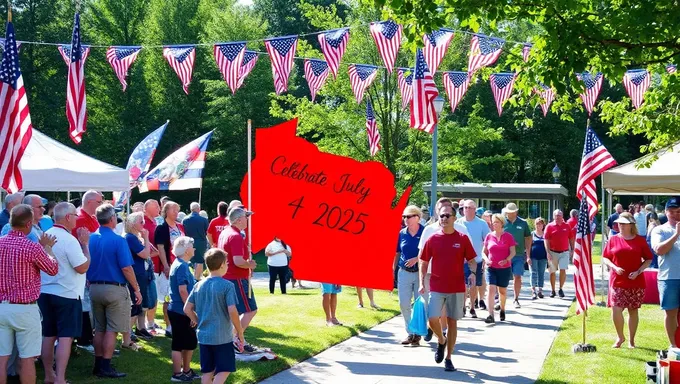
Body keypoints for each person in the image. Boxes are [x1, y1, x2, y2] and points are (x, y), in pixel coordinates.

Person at [0, 204, 58, 384]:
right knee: (27, 358)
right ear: (28, 224)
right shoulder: (31, 247)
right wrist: (47, 248)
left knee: (1, 358)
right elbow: (53, 268)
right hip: (26, 308)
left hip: (2, 306)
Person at [419, 205, 477, 372]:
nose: (443, 219)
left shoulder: (462, 238)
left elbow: (472, 260)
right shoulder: (433, 239)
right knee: (432, 318)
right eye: (441, 216)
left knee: (452, 322)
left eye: (447, 216)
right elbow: (423, 262)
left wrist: (472, 273)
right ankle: (441, 341)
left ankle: (449, 358)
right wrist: (423, 282)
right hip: (437, 285)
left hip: (457, 287)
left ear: (454, 218)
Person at [87, 204, 142, 378]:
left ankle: (98, 364)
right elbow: (126, 268)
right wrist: (136, 288)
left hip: (94, 287)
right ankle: (105, 366)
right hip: (114, 288)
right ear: (112, 219)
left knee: (99, 328)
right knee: (112, 329)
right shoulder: (119, 240)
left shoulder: (91, 238)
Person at [39, 202, 91, 384]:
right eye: (75, 215)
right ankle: (60, 379)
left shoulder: (44, 235)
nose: (77, 218)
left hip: (45, 292)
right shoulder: (70, 240)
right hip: (66, 294)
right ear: (68, 217)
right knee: (65, 337)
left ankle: (48, 375)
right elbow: (82, 267)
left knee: (48, 335)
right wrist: (86, 246)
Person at [184, 248, 245, 384]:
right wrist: (240, 331)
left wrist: (198, 321)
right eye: (227, 263)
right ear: (222, 264)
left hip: (204, 337)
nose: (228, 265)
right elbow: (233, 311)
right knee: (224, 369)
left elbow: (187, 308)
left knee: (207, 371)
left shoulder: (198, 285)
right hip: (222, 336)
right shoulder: (227, 286)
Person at [418, 198, 468, 342]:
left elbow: (467, 253)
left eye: (447, 211)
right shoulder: (429, 229)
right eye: (441, 210)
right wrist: (420, 275)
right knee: (431, 304)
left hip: (451, 276)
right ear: (437, 211)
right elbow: (421, 253)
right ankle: (432, 326)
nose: (444, 215)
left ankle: (442, 332)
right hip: (430, 273)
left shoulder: (461, 230)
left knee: (445, 306)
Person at [602, 212, 653, 348]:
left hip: (635, 280)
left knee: (633, 310)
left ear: (631, 225)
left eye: (624, 224)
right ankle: (620, 337)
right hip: (617, 280)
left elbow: (648, 259)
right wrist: (614, 266)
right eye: (619, 224)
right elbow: (605, 257)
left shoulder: (640, 240)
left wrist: (638, 271)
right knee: (616, 308)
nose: (621, 226)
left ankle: (631, 341)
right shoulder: (613, 239)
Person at [218, 207, 258, 352]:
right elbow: (237, 261)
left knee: (234, 311)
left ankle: (235, 338)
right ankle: (235, 338)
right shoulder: (235, 236)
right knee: (250, 309)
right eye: (246, 217)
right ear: (239, 219)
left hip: (228, 277)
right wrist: (250, 265)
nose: (248, 220)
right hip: (237, 278)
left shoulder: (225, 232)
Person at [72, 191, 102, 353]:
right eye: (99, 201)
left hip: (91, 266)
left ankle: (87, 336)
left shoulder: (91, 218)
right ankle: (84, 338)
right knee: (84, 303)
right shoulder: (80, 219)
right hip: (83, 268)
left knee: (88, 304)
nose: (101, 204)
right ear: (90, 202)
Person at [168, 236, 199, 382]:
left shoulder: (181, 263)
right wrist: (190, 312)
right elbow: (182, 290)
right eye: (192, 246)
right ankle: (177, 374)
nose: (194, 249)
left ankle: (186, 370)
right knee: (179, 343)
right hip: (180, 311)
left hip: (180, 310)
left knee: (190, 342)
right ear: (187, 250)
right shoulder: (182, 266)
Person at [651, 197, 680, 348]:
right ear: (666, 212)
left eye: (679, 212)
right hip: (669, 278)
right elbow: (659, 250)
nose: (675, 215)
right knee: (671, 313)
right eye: (672, 212)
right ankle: (673, 346)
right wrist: (676, 235)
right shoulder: (660, 229)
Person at [124, 212, 157, 344]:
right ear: (132, 224)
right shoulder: (130, 238)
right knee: (136, 302)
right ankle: (129, 332)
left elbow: (153, 253)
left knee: (142, 302)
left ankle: (140, 328)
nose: (144, 225)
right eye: (141, 222)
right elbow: (145, 254)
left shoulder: (135, 237)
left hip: (141, 273)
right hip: (136, 274)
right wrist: (147, 238)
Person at [394, 205, 424, 345]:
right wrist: (394, 270)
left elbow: (430, 252)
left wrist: (416, 259)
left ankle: (417, 333)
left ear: (417, 217)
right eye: (404, 216)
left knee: (420, 304)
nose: (405, 219)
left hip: (420, 273)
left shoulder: (425, 232)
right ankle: (410, 332)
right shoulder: (402, 233)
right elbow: (398, 252)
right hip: (404, 272)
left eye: (408, 216)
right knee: (404, 303)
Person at [155, 201, 185, 338]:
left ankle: (179, 323)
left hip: (182, 265)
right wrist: (166, 265)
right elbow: (160, 248)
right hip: (169, 266)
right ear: (166, 211)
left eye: (177, 210)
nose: (176, 212)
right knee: (168, 298)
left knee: (180, 295)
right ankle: (169, 326)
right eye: (174, 209)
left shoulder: (180, 226)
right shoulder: (161, 228)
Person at [456, 200, 490, 319]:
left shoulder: (482, 224)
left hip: (477, 259)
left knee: (473, 285)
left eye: (470, 208)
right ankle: (463, 307)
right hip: (461, 260)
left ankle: (472, 307)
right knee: (463, 285)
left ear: (475, 209)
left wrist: (486, 256)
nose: (468, 210)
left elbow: (488, 241)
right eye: (465, 208)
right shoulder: (458, 223)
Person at [483, 214, 516, 324]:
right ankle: (490, 314)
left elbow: (513, 252)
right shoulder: (489, 236)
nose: (494, 224)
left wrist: (507, 260)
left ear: (502, 223)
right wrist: (486, 260)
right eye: (493, 222)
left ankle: (502, 309)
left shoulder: (508, 236)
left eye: (496, 222)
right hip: (491, 267)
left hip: (504, 268)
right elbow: (483, 252)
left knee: (502, 291)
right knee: (491, 289)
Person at [502, 203, 531, 309]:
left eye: (511, 212)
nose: (509, 214)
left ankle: (516, 299)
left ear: (516, 212)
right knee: (503, 277)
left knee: (517, 276)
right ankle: (500, 299)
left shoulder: (523, 223)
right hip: (504, 255)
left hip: (518, 255)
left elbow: (528, 238)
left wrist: (528, 254)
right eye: (508, 212)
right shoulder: (502, 223)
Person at [544, 210, 575, 299]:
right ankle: (553, 290)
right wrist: (548, 252)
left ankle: (560, 288)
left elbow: (571, 238)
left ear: (562, 216)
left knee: (563, 270)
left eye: (560, 215)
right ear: (553, 216)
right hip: (553, 252)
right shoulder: (549, 226)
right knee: (552, 272)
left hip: (564, 252)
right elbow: (546, 240)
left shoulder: (567, 226)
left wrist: (572, 249)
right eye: (556, 215)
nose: (558, 217)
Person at [143, 199, 163, 335]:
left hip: (156, 264)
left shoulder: (155, 221)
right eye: (156, 206)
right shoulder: (143, 222)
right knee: (151, 296)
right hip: (149, 265)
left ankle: (150, 321)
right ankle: (148, 323)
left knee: (153, 295)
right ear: (147, 208)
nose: (159, 208)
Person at [183, 202, 209, 281]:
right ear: (198, 209)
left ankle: (191, 277)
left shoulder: (185, 220)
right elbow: (206, 231)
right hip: (201, 243)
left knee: (189, 260)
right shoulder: (204, 220)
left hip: (189, 242)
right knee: (200, 261)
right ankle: (198, 278)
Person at [529, 218, 548, 299]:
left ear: (543, 225)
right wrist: (528, 257)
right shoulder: (532, 234)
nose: (538, 225)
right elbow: (528, 246)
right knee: (533, 273)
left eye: (540, 224)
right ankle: (533, 290)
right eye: (537, 224)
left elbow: (548, 245)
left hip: (543, 257)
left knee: (541, 273)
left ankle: (540, 290)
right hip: (533, 256)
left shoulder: (545, 234)